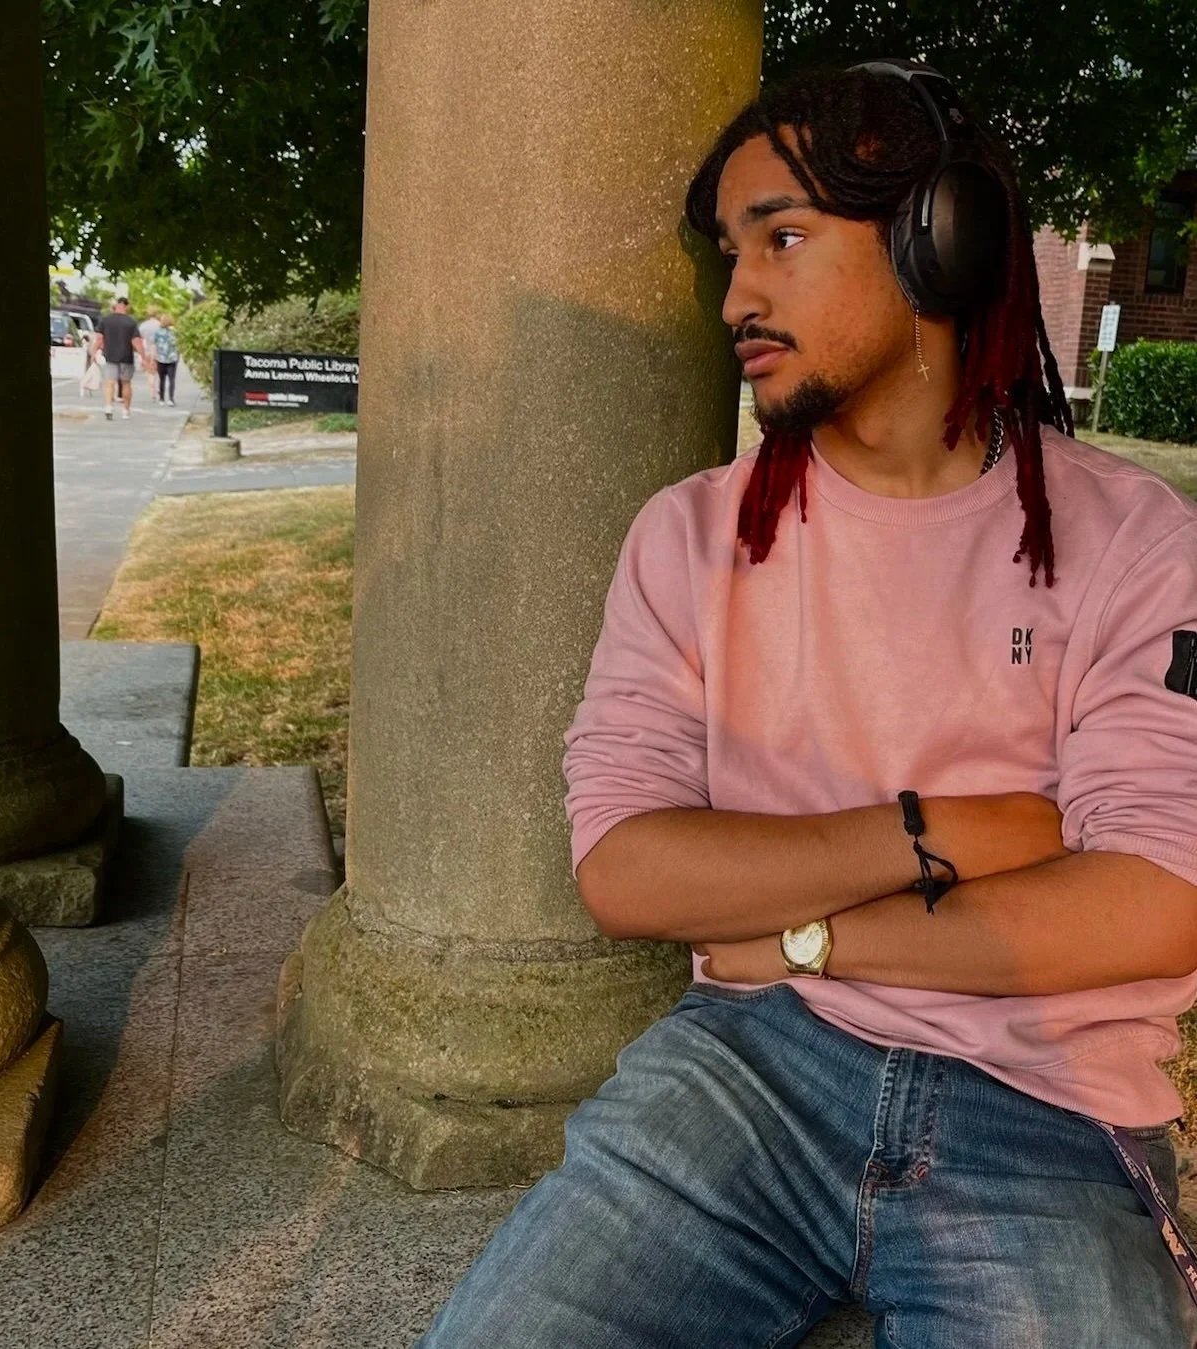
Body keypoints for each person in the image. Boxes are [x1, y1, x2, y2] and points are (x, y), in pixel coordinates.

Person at [417, 61, 1197, 1347]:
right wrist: (935, 827)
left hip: (1046, 1102)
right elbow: (625, 865)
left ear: (937, 243)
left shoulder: (1133, 542)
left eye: (782, 237)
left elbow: (1157, 896)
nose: (737, 297)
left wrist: (804, 936)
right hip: (747, 1071)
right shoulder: (688, 536)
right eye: (730, 253)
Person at [90, 295, 143, 420]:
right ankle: (126, 411)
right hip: (126, 357)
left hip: (110, 356)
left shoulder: (106, 320)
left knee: (109, 382)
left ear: (116, 306)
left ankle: (108, 407)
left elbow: (99, 338)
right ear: (127, 306)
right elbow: (136, 341)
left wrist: (93, 352)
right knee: (126, 383)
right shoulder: (131, 322)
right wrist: (144, 357)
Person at [153, 313, 180, 406]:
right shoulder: (175, 332)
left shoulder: (157, 331)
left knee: (162, 379)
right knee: (172, 379)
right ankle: (171, 399)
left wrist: (154, 356)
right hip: (172, 358)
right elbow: (178, 344)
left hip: (160, 358)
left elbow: (154, 344)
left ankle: (161, 398)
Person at [138, 305, 162, 398]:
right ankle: (159, 388)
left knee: (150, 372)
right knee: (159, 371)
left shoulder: (143, 325)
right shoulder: (160, 325)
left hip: (147, 350)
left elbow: (139, 339)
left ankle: (152, 391)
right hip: (158, 351)